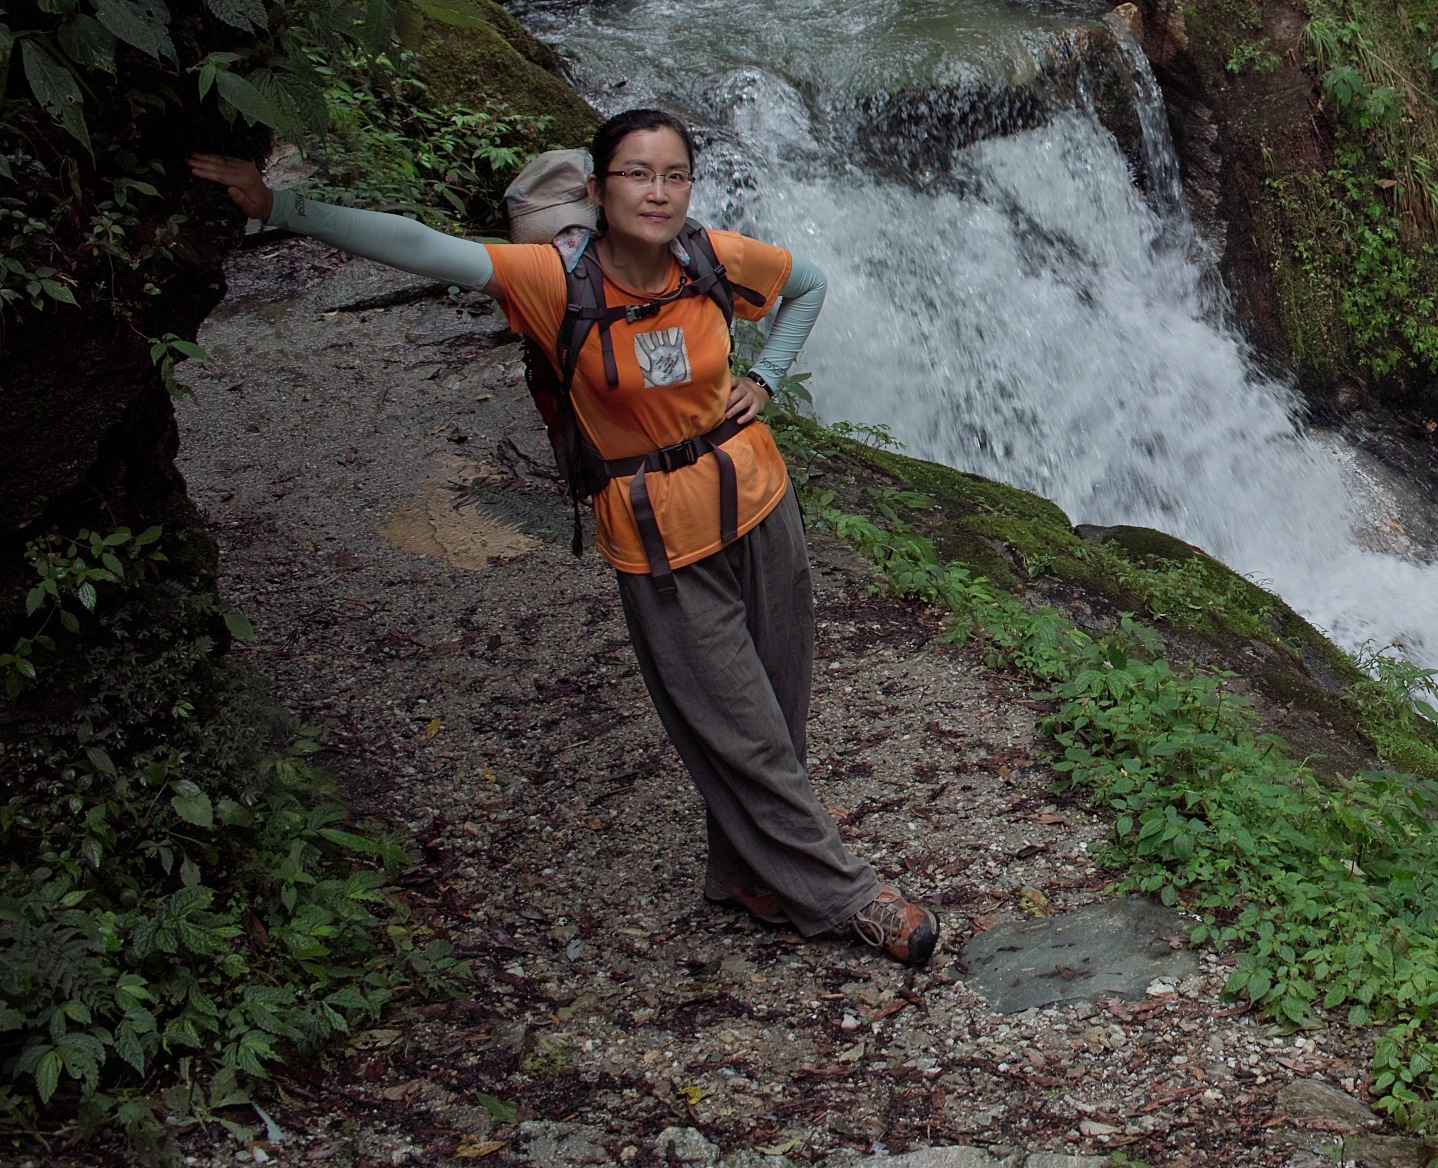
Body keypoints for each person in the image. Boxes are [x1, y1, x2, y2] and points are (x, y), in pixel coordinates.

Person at [189, 110, 937, 966]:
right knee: (741, 728)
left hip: (762, 504)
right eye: (636, 174)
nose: (657, 192)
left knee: (778, 712)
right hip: (660, 538)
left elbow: (808, 285)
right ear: (597, 188)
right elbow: (421, 246)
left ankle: (745, 875)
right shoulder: (554, 280)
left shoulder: (710, 257)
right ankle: (848, 898)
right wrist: (279, 208)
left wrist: (765, 376)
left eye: (674, 176)